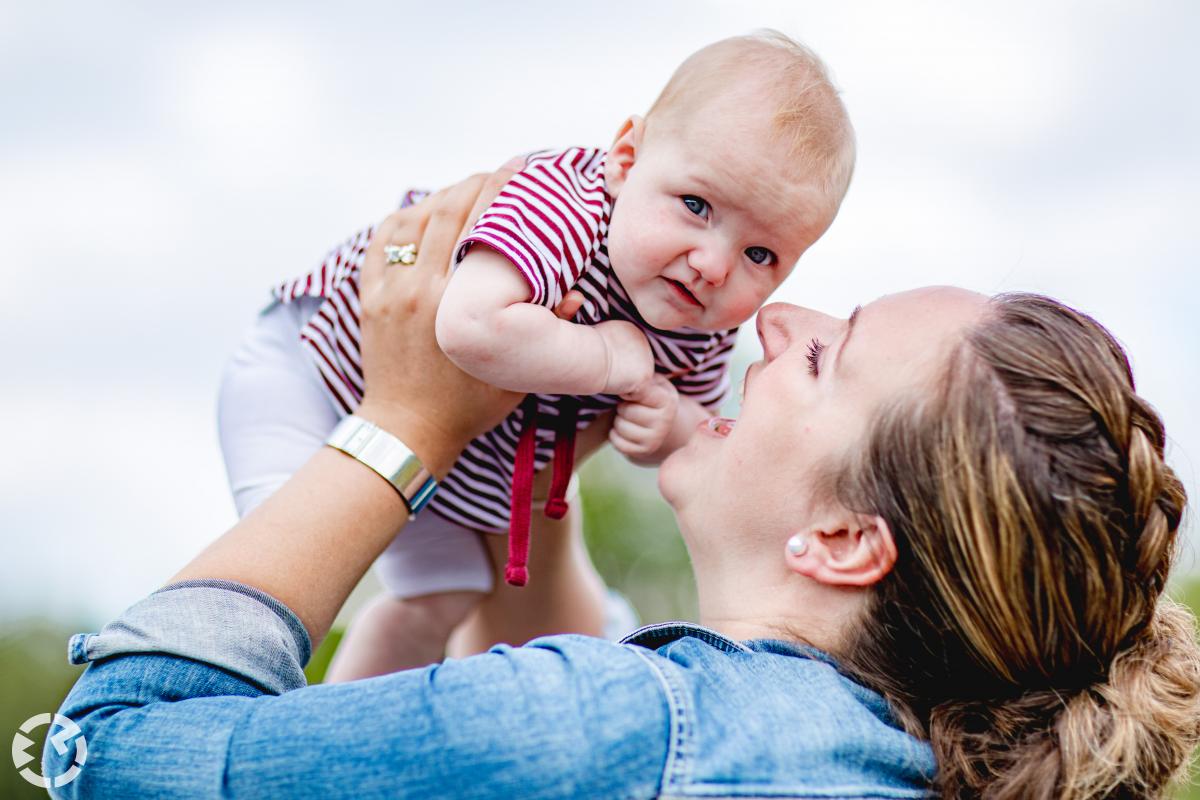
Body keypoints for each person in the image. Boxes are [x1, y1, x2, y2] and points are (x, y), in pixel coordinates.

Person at [48, 172, 1200, 799]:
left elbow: (122, 752)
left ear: (845, 538)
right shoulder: (846, 749)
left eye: (824, 352)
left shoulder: (633, 730)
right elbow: (574, 680)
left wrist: (401, 421)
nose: (771, 316)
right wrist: (533, 453)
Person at [219, 31, 855, 681]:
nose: (715, 265)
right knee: (290, 569)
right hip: (314, 367)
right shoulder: (564, 208)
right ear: (626, 160)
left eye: (761, 255)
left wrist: (663, 427)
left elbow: (696, 437)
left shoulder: (704, 317)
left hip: (446, 468)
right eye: (696, 206)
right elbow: (469, 326)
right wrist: (605, 357)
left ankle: (326, 742)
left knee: (438, 599)